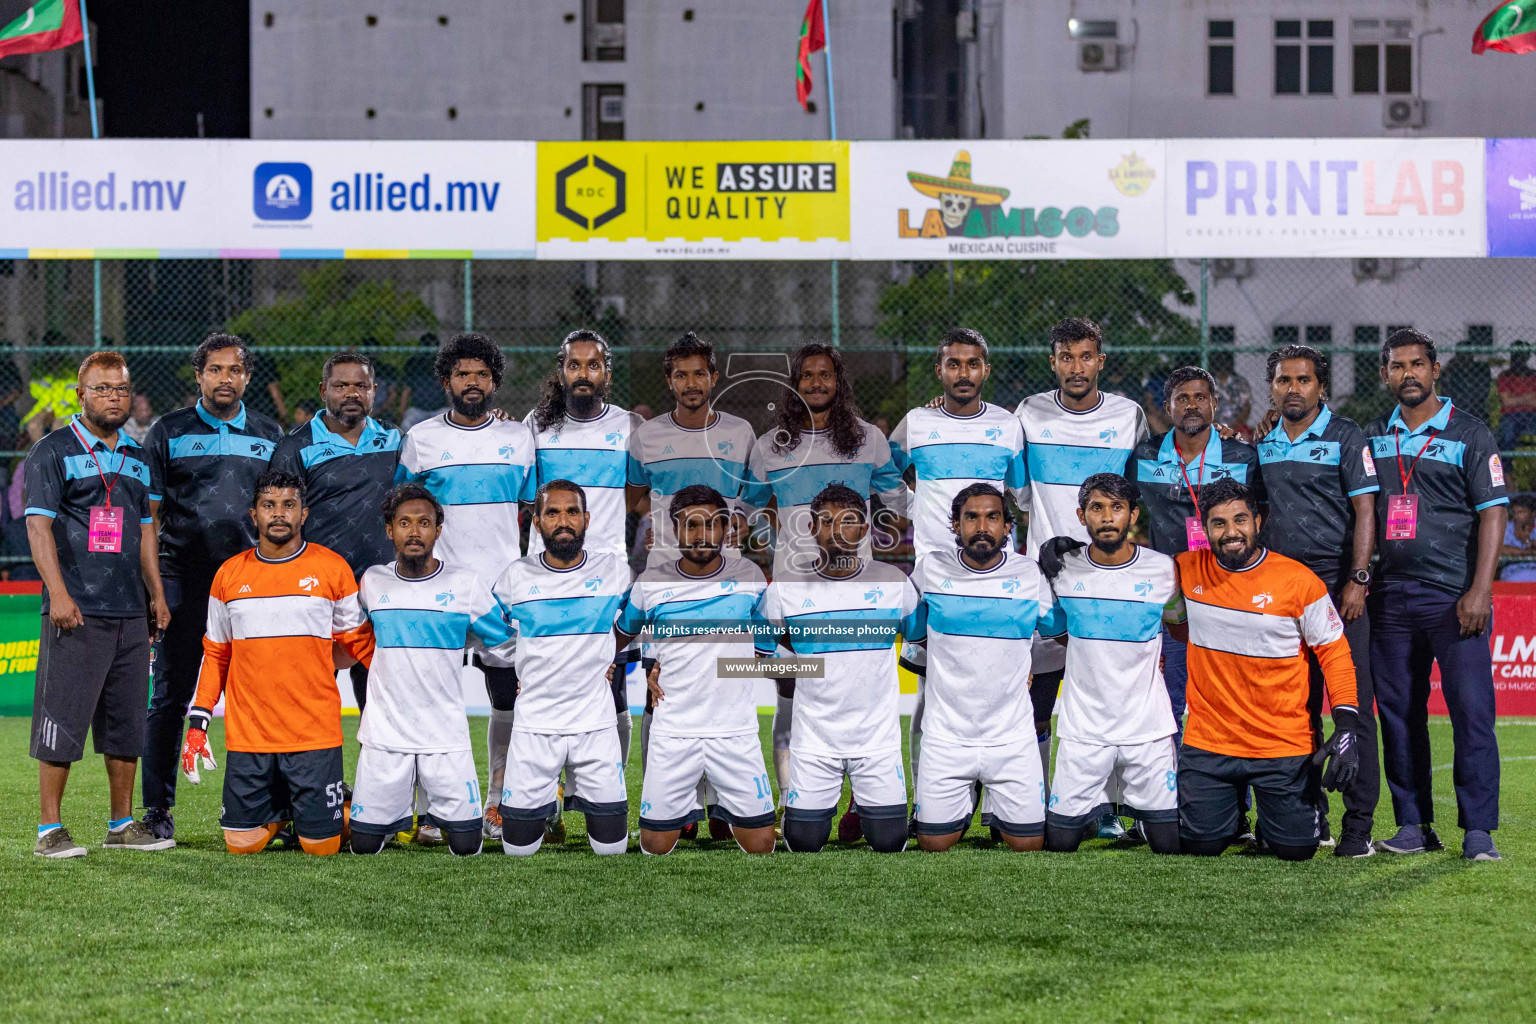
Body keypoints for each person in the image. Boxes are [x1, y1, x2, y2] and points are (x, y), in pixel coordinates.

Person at [744, 344, 905, 839]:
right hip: (796, 593)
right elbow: (749, 512)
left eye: (825, 375)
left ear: (840, 382)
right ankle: (793, 796)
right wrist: (786, 546)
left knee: (860, 692)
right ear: (794, 383)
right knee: (791, 689)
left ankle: (864, 800)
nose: (816, 383)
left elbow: (897, 502)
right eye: (807, 375)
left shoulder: (870, 440)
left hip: (857, 593)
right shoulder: (771, 443)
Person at [1364, 329, 1508, 861]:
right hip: (1388, 597)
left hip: (1454, 598)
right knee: (1399, 715)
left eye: (1417, 365)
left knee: (1472, 711)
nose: (1408, 375)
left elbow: (1493, 511)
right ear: (1385, 375)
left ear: (1435, 369)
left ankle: (1478, 832)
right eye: (1397, 367)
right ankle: (1412, 826)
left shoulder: (1471, 434)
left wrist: (1480, 589)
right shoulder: (1374, 436)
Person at [179, 470, 374, 856]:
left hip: (313, 732)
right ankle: (286, 813)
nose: (279, 513)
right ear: (254, 514)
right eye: (269, 505)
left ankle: (354, 813)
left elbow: (357, 644)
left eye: (289, 505)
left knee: (321, 848)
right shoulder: (228, 575)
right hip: (250, 735)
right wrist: (199, 720)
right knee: (241, 845)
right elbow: (217, 652)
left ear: (304, 514)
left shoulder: (332, 568)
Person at [139, 334, 284, 840]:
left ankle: (270, 808)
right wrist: (154, 589)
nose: (226, 378)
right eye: (216, 370)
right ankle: (157, 813)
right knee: (170, 697)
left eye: (235, 370)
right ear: (198, 375)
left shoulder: (269, 434)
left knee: (263, 695)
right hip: (181, 578)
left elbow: (281, 512)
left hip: (249, 581)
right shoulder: (168, 430)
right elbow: (147, 518)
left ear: (247, 377)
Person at [27, 352, 171, 858]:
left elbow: (147, 530)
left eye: (121, 389)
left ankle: (122, 823)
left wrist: (156, 594)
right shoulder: (52, 450)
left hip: (130, 609)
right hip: (77, 607)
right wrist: (59, 594)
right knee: (61, 716)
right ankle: (50, 829)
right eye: (102, 388)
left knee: (126, 720)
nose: (113, 397)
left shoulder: (138, 455)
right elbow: (38, 526)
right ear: (81, 394)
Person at [395, 332, 536, 842]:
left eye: (481, 374)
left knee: (507, 700)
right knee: (435, 702)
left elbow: (528, 509)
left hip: (502, 593)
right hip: (440, 593)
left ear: (494, 381)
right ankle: (435, 809)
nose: (472, 382)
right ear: (446, 381)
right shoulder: (422, 439)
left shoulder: (519, 438)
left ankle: (499, 801)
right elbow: (404, 511)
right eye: (462, 374)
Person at [1175, 478, 1361, 862]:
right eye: (1218, 523)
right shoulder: (1183, 569)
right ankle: (1230, 816)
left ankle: (1279, 817)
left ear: (1258, 521)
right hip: (1210, 743)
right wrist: (1074, 554)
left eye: (1240, 520)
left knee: (1295, 850)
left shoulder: (1298, 581)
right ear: (1204, 528)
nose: (1231, 533)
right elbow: (1126, 567)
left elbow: (1335, 653)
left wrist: (1346, 727)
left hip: (1280, 744)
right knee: (1201, 845)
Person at [1016, 317, 1149, 838]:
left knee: (1109, 700)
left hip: (1108, 580)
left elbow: (1143, 489)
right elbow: (1021, 493)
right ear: (1053, 362)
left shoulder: (1127, 416)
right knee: (1039, 702)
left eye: (1086, 356)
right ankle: (1037, 801)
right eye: (1066, 357)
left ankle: (1112, 809)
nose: (1076, 367)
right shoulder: (1029, 412)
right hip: (1043, 581)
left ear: (1101, 360)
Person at [890, 328, 1027, 825]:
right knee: (930, 693)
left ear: (986, 370)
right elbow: (885, 477)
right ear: (939, 370)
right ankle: (927, 798)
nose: (963, 373)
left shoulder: (1009, 426)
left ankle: (997, 807)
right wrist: (915, 511)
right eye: (953, 364)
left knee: (999, 685)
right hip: (935, 578)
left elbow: (1023, 494)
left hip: (995, 580)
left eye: (973, 364)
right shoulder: (917, 423)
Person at [624, 332, 757, 838]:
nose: (690, 383)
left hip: (727, 582)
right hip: (665, 581)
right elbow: (634, 494)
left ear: (714, 378)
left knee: (727, 686)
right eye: (680, 374)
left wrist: (739, 522)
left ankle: (727, 806)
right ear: (668, 381)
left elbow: (756, 495)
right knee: (661, 686)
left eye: (699, 373)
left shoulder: (741, 432)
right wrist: (656, 519)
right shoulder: (648, 436)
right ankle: (675, 806)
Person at [1254, 344, 1381, 857]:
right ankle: (1312, 819)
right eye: (1283, 380)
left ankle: (1359, 827)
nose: (1293, 389)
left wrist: (1358, 578)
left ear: (1320, 387)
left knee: (1353, 707)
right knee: (1294, 709)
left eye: (1303, 380)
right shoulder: (1263, 445)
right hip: (1283, 594)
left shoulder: (1346, 436)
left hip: (1336, 586)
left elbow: (1367, 512)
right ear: (1272, 387)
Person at [349, 483, 515, 858]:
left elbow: (505, 643)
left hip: (445, 737)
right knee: (363, 846)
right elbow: (352, 638)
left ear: (438, 531)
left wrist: (554, 664)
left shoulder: (465, 584)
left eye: (424, 523)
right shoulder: (372, 582)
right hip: (385, 736)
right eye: (404, 523)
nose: (414, 531)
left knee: (466, 846)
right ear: (389, 530)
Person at [525, 329, 645, 838]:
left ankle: (605, 794)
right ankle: (542, 805)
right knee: (539, 689)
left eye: (592, 366)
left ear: (606, 373)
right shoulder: (535, 426)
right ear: (561, 371)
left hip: (607, 577)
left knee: (612, 685)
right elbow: (524, 500)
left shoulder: (631, 427)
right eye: (574, 365)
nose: (583, 374)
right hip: (544, 576)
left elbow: (641, 496)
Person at [756, 484, 919, 854]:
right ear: (812, 529)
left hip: (876, 741)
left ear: (863, 530)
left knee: (890, 843)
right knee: (803, 842)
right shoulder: (785, 588)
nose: (835, 530)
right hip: (815, 742)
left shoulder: (894, 583)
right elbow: (759, 652)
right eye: (825, 521)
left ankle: (865, 804)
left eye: (848, 521)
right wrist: (800, 667)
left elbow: (923, 641)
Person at [614, 484, 775, 855]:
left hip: (734, 731)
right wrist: (615, 662)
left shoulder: (749, 576)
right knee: (654, 846)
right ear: (675, 529)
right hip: (674, 732)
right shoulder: (652, 582)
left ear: (724, 529)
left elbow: (765, 646)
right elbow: (623, 634)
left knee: (761, 845)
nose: (700, 535)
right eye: (690, 525)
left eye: (710, 525)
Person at [907, 484, 1064, 852]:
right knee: (933, 843)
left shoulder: (1029, 575)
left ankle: (988, 803)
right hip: (947, 737)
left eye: (993, 517)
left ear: (1007, 526)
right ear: (955, 526)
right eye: (971, 517)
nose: (982, 526)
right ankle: (962, 804)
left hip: (1012, 738)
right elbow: (917, 635)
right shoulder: (930, 570)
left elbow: (1061, 636)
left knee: (1029, 846)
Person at [1037, 474, 1183, 855]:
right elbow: (1059, 633)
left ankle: (1146, 822)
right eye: (1096, 508)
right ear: (1081, 516)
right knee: (1060, 843)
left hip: (1147, 728)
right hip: (1084, 729)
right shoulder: (1062, 570)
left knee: (1170, 845)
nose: (1106, 517)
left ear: (1132, 515)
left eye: (1116, 507)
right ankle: (1093, 817)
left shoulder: (1164, 570)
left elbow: (1179, 628)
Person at [491, 480, 632, 857]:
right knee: (517, 850)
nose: (563, 521)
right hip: (535, 727)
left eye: (572, 512)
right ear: (536, 522)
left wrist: (612, 658)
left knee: (612, 849)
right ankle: (548, 805)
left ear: (586, 519)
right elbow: (490, 633)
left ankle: (563, 799)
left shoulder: (615, 572)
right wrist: (524, 663)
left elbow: (638, 623)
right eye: (552, 513)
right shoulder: (515, 577)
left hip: (594, 727)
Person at [1127, 365, 1262, 746]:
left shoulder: (1242, 456)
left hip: (1228, 593)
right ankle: (1167, 793)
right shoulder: (1144, 456)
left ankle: (1238, 801)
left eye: (1200, 397)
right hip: (1171, 596)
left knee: (1230, 699)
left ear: (1215, 404)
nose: (1191, 405)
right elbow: (1122, 511)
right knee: (1168, 700)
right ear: (1167, 406)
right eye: (1181, 398)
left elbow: (1261, 519)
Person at [268, 352, 401, 711]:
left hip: (382, 587)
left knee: (381, 705)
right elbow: (278, 524)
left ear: (374, 390)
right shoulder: (295, 447)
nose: (351, 393)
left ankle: (379, 769)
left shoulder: (394, 440)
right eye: (341, 385)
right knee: (309, 703)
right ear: (323, 389)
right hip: (319, 590)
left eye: (360, 385)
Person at [1496, 340, 1536, 449]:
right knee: (1507, 432)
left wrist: (1516, 399)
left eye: (1523, 355)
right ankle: (1506, 464)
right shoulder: (1505, 376)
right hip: (1511, 415)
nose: (1520, 358)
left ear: (1527, 356)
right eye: (1517, 355)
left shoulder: (1533, 375)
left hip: (1533, 415)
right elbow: (1507, 402)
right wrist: (1529, 397)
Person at [1210, 351, 1254, 438]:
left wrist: (1235, 425)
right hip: (1213, 423)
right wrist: (1213, 425)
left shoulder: (1240, 382)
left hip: (1235, 424)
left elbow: (1246, 407)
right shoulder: (1209, 382)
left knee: (1244, 437)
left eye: (1225, 362)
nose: (1222, 365)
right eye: (1219, 361)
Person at [1498, 494, 1536, 581]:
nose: (1516, 516)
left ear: (1533, 514)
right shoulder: (1507, 527)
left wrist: (1526, 540)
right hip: (1512, 572)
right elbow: (1502, 549)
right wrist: (1529, 552)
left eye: (1521, 512)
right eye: (1515, 513)